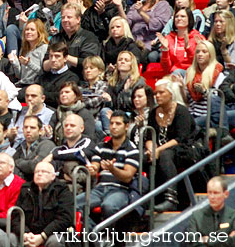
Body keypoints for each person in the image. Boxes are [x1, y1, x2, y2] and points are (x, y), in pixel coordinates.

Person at [146, 78, 201, 211]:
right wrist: (151, 149)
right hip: (161, 149)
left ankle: (171, 198)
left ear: (171, 94)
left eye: (161, 92)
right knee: (142, 157)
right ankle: (146, 198)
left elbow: (181, 138)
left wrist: (158, 150)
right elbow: (149, 136)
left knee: (165, 155)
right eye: (155, 93)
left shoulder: (181, 111)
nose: (157, 96)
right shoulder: (154, 112)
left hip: (185, 149)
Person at [79, 111, 139, 227]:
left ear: (126, 127)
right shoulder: (101, 147)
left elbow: (127, 177)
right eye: (111, 123)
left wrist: (112, 169)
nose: (113, 127)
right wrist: (93, 169)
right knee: (74, 204)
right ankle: (93, 236)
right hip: (99, 188)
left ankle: (112, 239)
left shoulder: (132, 150)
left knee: (109, 206)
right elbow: (95, 164)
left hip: (120, 190)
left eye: (118, 124)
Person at [11, 161, 73, 247]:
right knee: (10, 238)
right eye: (37, 172)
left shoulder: (62, 190)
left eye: (44, 172)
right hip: (30, 234)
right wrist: (25, 233)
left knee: (54, 241)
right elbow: (17, 217)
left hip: (53, 233)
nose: (39, 174)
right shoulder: (26, 189)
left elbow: (65, 218)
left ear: (53, 176)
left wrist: (43, 236)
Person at [157, 7, 207, 72]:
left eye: (183, 16)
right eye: (176, 16)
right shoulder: (168, 39)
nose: (179, 18)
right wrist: (165, 50)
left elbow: (199, 64)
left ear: (189, 19)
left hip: (193, 72)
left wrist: (188, 48)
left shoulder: (198, 38)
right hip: (174, 75)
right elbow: (166, 68)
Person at [188, 176, 235, 245]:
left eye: (216, 193)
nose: (212, 197)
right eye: (209, 192)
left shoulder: (233, 215)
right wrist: (227, 239)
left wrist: (207, 240)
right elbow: (193, 244)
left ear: (226, 194)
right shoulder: (196, 216)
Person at [38, 42, 81, 108]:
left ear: (65, 58)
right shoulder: (43, 77)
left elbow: (59, 97)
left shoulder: (72, 78)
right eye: (51, 56)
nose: (53, 60)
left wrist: (39, 94)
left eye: (57, 56)